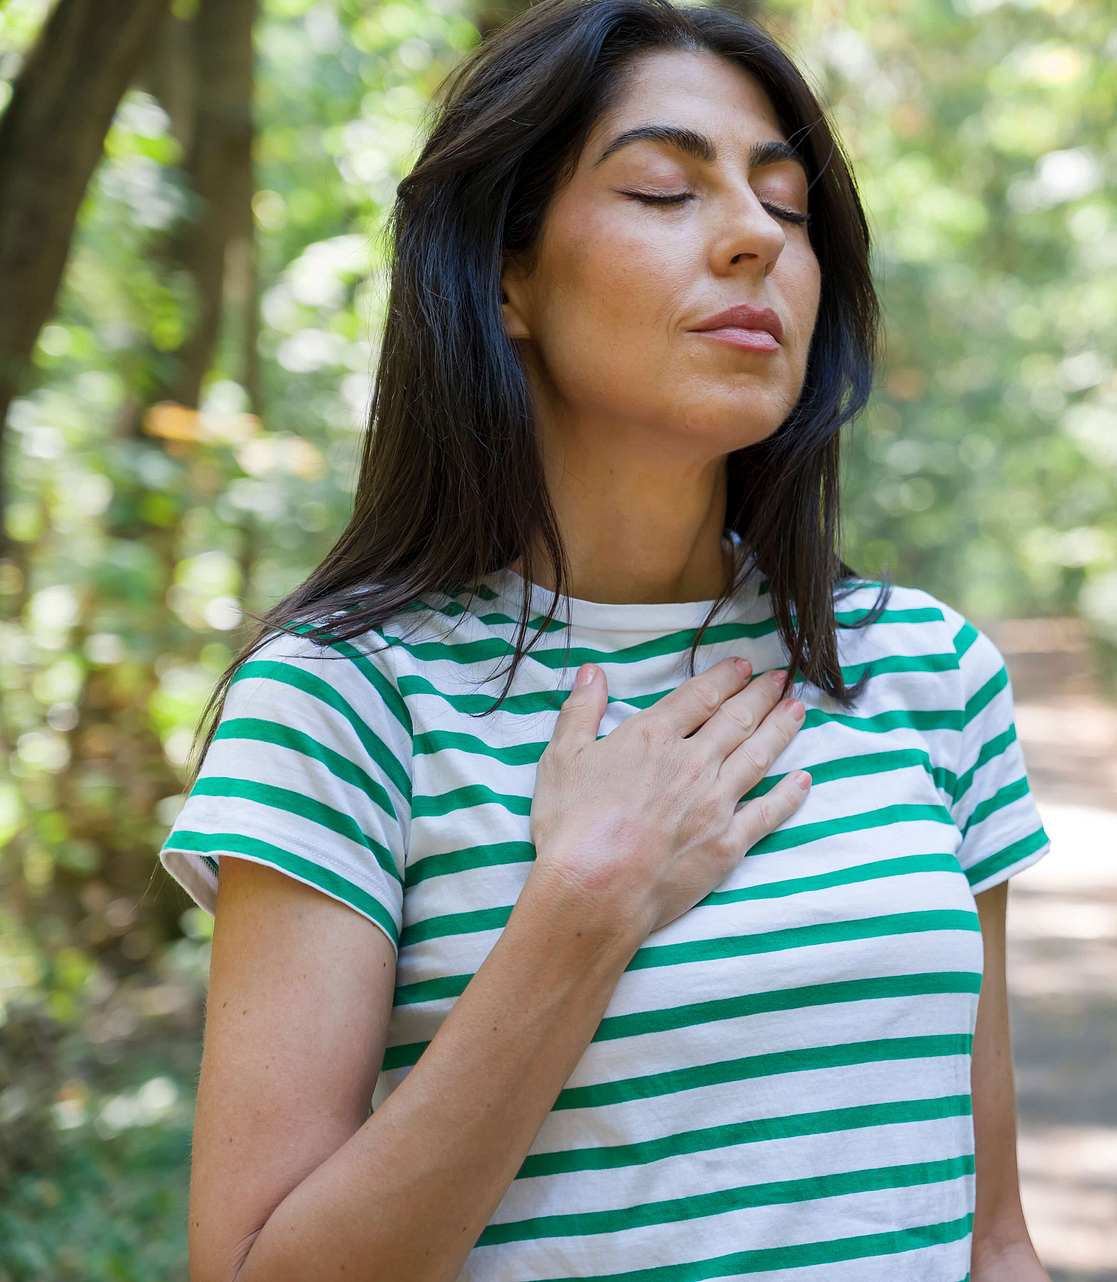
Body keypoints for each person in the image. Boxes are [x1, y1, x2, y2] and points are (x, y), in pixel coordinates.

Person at [155, 3, 1054, 1278]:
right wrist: (584, 904)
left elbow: (995, 1242)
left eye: (788, 208)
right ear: (507, 275)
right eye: (661, 188)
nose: (754, 237)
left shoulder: (923, 670)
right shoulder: (343, 701)